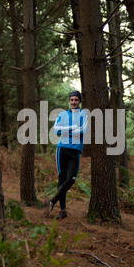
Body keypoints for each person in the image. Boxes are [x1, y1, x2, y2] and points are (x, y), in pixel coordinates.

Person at [44, 90, 88, 220]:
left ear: (79, 101)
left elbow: (83, 131)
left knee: (71, 179)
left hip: (75, 151)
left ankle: (51, 202)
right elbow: (56, 130)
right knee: (62, 179)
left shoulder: (84, 115)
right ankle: (63, 210)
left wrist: (66, 130)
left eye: (76, 100)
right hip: (62, 149)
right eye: (72, 100)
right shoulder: (63, 115)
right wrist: (72, 127)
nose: (73, 102)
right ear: (69, 101)